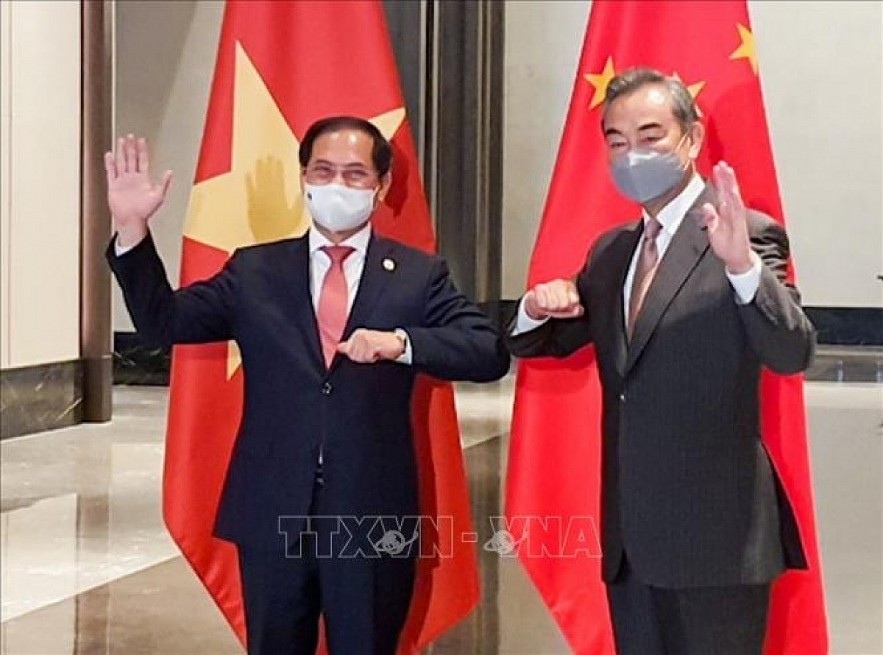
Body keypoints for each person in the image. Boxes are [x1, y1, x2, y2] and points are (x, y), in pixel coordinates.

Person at [105, 116, 510, 655]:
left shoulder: (418, 275)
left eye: (354, 174)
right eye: (323, 171)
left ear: (381, 187)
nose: (336, 185)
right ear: (303, 178)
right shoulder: (256, 271)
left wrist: (402, 342)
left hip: (370, 514)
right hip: (272, 507)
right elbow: (165, 322)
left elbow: (488, 352)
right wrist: (133, 231)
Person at [507, 68, 815, 654]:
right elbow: (538, 342)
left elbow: (791, 349)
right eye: (618, 141)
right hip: (631, 540)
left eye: (651, 136)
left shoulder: (746, 235)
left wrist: (741, 268)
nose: (633, 155)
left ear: (692, 139)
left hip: (718, 541)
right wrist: (532, 305)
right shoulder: (613, 250)